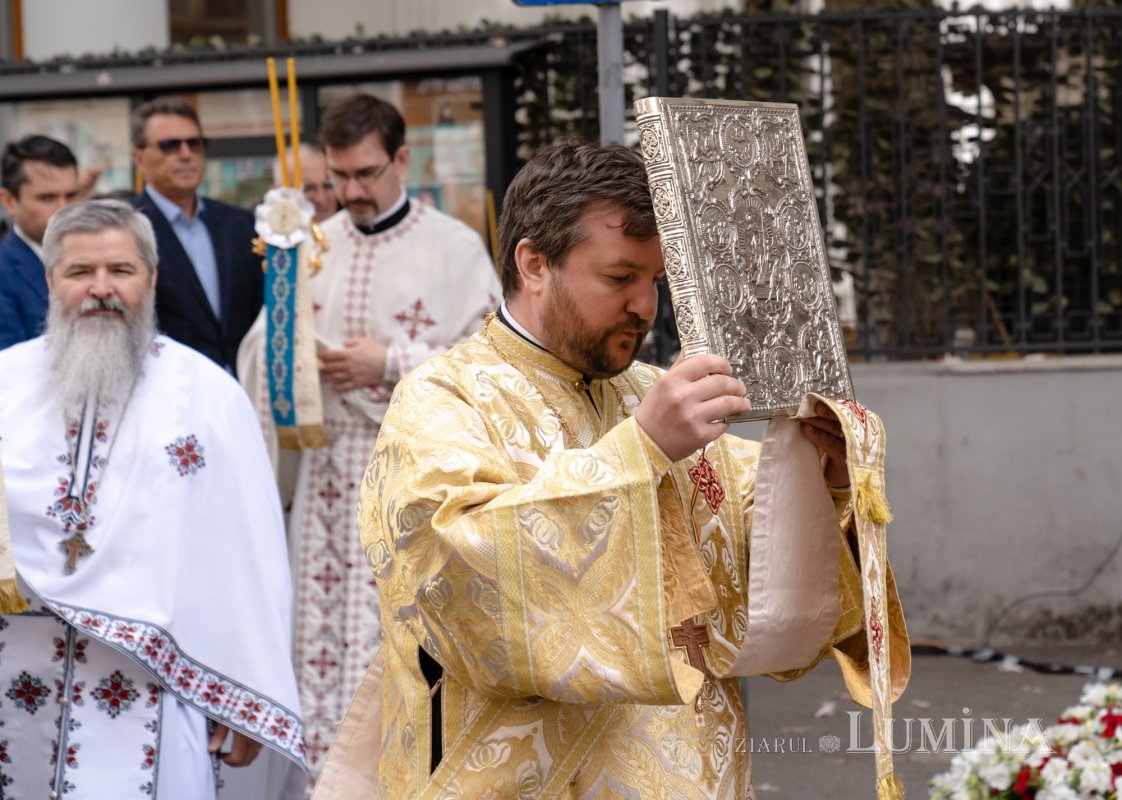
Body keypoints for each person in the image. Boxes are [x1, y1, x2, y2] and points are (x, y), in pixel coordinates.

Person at [353, 141, 909, 797]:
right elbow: (453, 576)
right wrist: (638, 451)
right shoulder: (444, 398)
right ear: (534, 264)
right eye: (619, 279)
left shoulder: (651, 389)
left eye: (656, 282)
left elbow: (752, 553)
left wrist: (825, 476)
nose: (646, 307)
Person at [0, 200, 305, 797]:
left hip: (155, 690)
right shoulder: (4, 385)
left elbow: (247, 560)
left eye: (121, 270)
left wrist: (245, 687)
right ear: (49, 279)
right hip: (15, 684)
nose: (101, 289)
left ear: (153, 278)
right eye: (80, 273)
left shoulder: (208, 397)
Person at [237, 92, 501, 777]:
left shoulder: (453, 245)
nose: (351, 192)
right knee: (319, 641)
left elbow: (493, 359)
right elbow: (262, 349)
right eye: (338, 178)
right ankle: (322, 781)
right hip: (326, 484)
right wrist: (288, 349)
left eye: (366, 174)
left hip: (411, 482)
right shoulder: (312, 247)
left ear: (401, 159)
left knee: (398, 642)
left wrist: (387, 361)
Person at [132, 96, 262, 375]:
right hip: (170, 391)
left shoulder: (240, 224)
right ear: (138, 158)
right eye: (169, 145)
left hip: (243, 388)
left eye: (195, 143)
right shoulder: (127, 231)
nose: (186, 154)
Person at [0, 134, 81, 348]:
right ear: (8, 201)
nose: (64, 209)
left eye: (71, 196)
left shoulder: (98, 259)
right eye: (47, 198)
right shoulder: (4, 273)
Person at [274, 143, 339, 224]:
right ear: (277, 191)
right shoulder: (259, 232)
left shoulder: (355, 227)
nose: (321, 199)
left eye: (328, 186)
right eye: (308, 189)